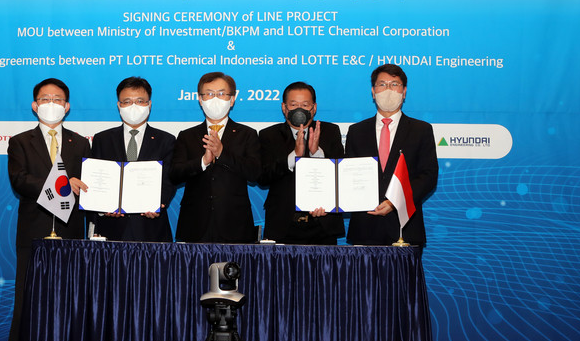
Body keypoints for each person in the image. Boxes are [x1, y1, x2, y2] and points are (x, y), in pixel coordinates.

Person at [7, 78, 90, 341]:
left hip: (71, 230)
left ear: (67, 106)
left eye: (57, 99)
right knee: (27, 298)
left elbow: (88, 187)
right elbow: (19, 180)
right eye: (45, 99)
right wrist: (62, 183)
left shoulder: (81, 143)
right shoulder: (20, 142)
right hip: (33, 231)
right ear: (35, 105)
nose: (51, 104)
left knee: (69, 299)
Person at [345, 64, 438, 246]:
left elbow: (428, 176)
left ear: (404, 92)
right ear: (373, 92)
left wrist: (394, 202)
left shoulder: (421, 130)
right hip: (365, 227)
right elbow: (348, 175)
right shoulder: (356, 131)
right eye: (382, 84)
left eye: (394, 84)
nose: (388, 89)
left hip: (405, 228)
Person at [170, 71, 261, 243]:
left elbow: (254, 173)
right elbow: (175, 174)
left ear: (232, 99)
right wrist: (202, 162)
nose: (215, 99)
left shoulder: (247, 134)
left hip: (235, 224)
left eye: (221, 94)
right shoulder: (187, 136)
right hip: (195, 224)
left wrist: (222, 153)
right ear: (200, 99)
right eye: (209, 94)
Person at [90, 77, 176, 242]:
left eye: (140, 101)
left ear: (149, 104)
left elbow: (169, 180)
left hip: (151, 228)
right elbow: (96, 181)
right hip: (111, 228)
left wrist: (158, 203)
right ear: (119, 105)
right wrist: (102, 207)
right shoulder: (102, 139)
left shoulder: (165, 140)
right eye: (127, 101)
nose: (134, 106)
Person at [258, 81, 345, 244]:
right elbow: (262, 177)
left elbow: (341, 175)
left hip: (323, 225)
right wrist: (294, 156)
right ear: (284, 108)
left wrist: (316, 153)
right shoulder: (269, 135)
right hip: (283, 225)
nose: (300, 110)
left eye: (305, 105)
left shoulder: (330, 132)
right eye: (294, 104)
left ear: (314, 108)